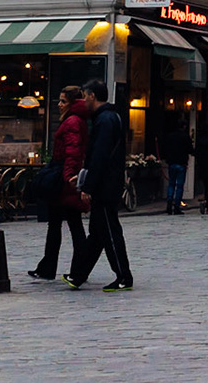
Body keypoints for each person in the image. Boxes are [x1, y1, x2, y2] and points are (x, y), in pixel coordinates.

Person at [66, 79, 133, 291]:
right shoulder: (112, 117)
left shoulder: (104, 120)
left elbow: (100, 156)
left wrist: (88, 186)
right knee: (97, 234)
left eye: (85, 96)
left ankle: (124, 276)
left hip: (105, 186)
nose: (83, 100)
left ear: (93, 96)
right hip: (108, 182)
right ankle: (78, 275)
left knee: (110, 232)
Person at [31, 86, 89, 280]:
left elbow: (73, 152)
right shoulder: (74, 119)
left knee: (72, 226)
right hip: (63, 177)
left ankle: (78, 269)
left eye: (63, 101)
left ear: (71, 103)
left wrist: (69, 178)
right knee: (60, 225)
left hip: (65, 180)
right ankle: (50, 267)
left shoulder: (72, 121)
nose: (59, 104)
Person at [159, 119, 192, 215]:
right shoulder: (185, 137)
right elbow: (190, 149)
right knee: (180, 186)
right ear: (184, 127)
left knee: (171, 184)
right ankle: (177, 205)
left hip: (172, 163)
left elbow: (164, 148)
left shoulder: (170, 136)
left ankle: (169, 202)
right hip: (181, 163)